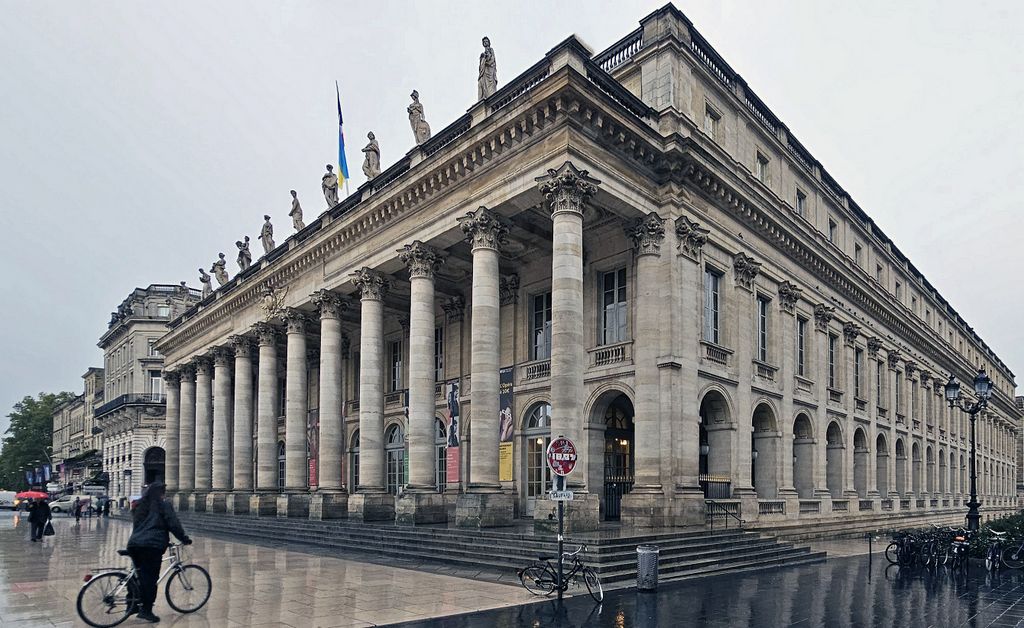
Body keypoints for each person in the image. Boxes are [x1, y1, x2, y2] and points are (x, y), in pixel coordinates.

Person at [126, 482, 191, 623]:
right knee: (150, 579)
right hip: (151, 546)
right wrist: (184, 538)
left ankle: (131, 604)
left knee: (138, 574)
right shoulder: (163, 505)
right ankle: (146, 611)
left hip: (134, 544)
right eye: (164, 492)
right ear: (161, 493)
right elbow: (173, 524)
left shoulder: (139, 504)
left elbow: (140, 525)